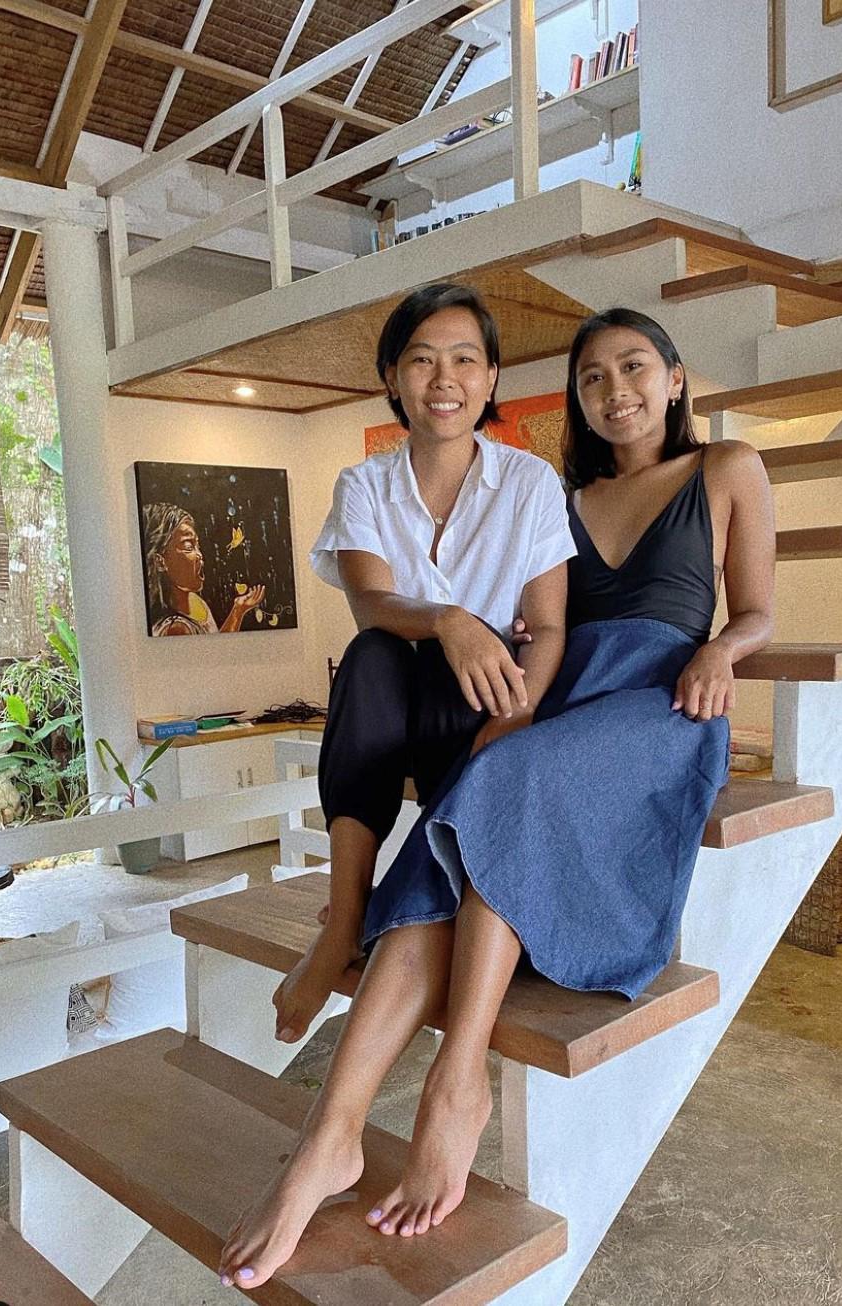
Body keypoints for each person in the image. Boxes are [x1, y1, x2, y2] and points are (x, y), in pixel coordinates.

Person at [218, 308, 775, 1289]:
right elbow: (534, 614)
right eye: (594, 378)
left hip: (659, 705)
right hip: (560, 697)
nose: (616, 392)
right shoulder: (559, 492)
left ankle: (455, 1079)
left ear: (676, 379)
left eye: (635, 369)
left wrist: (722, 651)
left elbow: (759, 607)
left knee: (497, 785)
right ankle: (328, 1136)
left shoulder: (725, 470)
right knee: (458, 825)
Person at [268, 282, 575, 1046]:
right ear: (392, 377)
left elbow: (549, 628)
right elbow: (371, 602)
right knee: (373, 654)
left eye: (466, 360)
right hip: (387, 708)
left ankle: (406, 916)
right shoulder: (363, 484)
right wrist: (450, 619)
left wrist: (518, 716)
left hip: (481, 709)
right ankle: (344, 922)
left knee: (411, 662)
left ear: (492, 377)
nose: (445, 381)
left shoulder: (531, 483)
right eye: (423, 360)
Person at [141, 503, 265, 636]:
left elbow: (216, 646)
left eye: (197, 545)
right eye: (189, 546)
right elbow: (217, 653)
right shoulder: (176, 628)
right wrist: (237, 612)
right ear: (160, 562)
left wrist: (238, 609)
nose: (199, 555)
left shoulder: (195, 601)